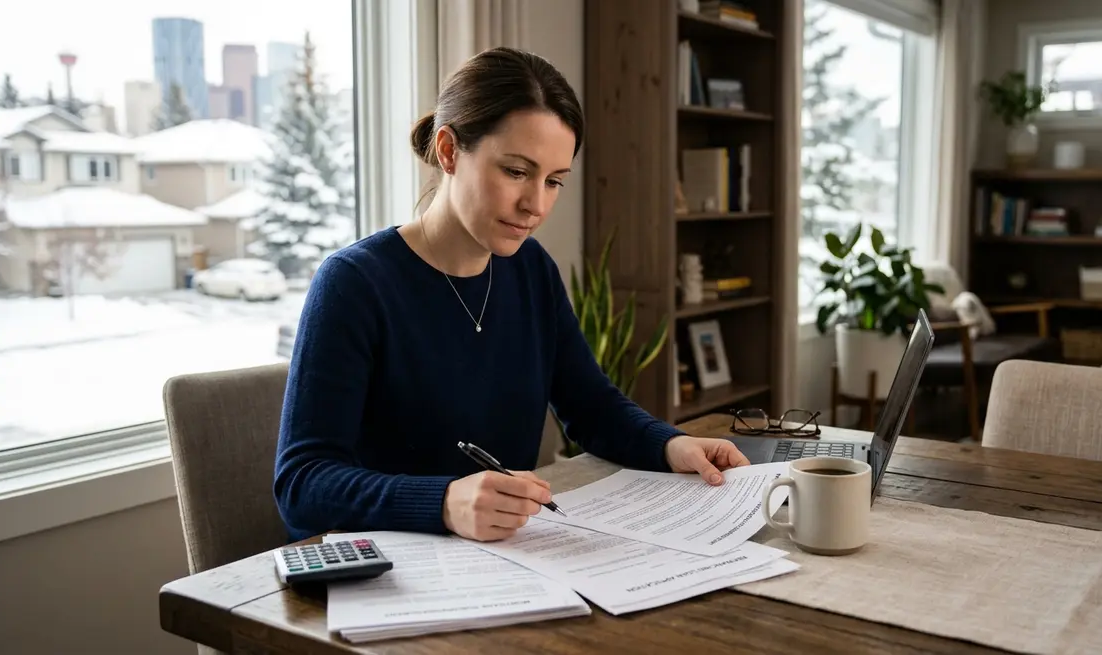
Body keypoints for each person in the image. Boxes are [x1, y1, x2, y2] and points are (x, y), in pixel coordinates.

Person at [272, 47, 750, 544]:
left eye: (554, 181)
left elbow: (590, 406)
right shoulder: (353, 283)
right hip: (394, 573)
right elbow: (302, 484)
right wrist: (443, 502)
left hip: (511, 558)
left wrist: (671, 445)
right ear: (449, 150)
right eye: (517, 172)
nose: (535, 205)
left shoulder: (530, 268)